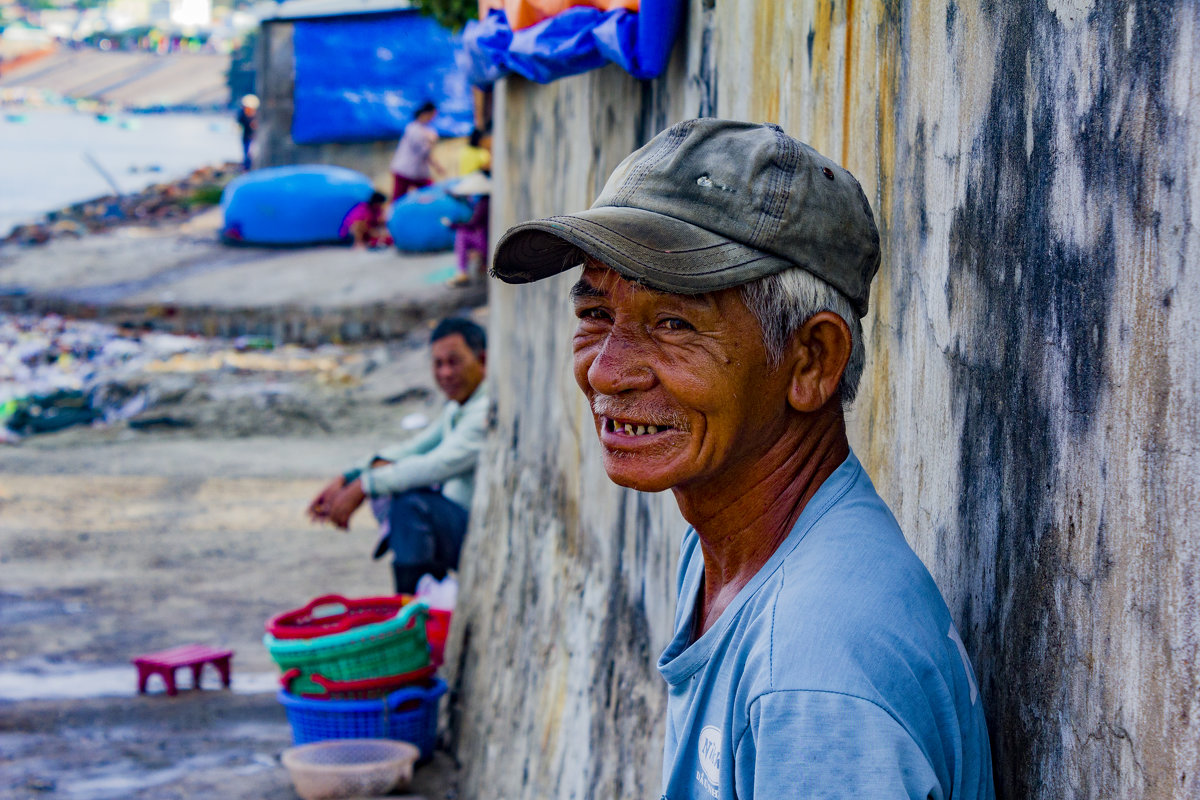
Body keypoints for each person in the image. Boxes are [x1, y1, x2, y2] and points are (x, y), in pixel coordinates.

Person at [490, 119, 995, 800]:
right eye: (596, 315)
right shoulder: (728, 546)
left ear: (811, 360)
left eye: (674, 324)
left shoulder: (810, 677)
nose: (607, 372)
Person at [307, 317, 488, 594]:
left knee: (411, 504)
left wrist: (365, 486)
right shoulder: (459, 407)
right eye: (438, 364)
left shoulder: (484, 410)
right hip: (456, 528)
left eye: (454, 362)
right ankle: (418, 603)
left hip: (481, 537)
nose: (445, 373)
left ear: (482, 360)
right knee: (394, 480)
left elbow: (436, 465)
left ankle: (409, 607)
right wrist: (349, 477)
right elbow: (412, 449)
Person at [442, 171, 490, 287]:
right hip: (485, 240)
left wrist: (451, 225)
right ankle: (462, 270)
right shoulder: (483, 201)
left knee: (462, 235)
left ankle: (462, 272)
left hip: (486, 243)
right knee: (462, 235)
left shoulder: (484, 204)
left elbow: (473, 224)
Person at [390, 101, 443, 200]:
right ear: (427, 113)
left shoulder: (426, 129)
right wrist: (431, 142)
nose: (433, 118)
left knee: (430, 194)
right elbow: (424, 152)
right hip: (405, 171)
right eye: (432, 115)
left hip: (418, 173)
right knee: (398, 200)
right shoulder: (413, 129)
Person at [236, 94, 258, 171]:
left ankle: (251, 167)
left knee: (253, 153)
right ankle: (247, 168)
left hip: (255, 137)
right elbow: (240, 123)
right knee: (247, 153)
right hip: (247, 136)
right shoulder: (242, 114)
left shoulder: (257, 114)